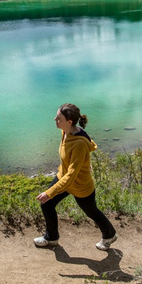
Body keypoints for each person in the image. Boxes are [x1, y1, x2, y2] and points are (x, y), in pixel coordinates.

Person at [34, 103, 118, 251]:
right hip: (64, 177)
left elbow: (72, 174)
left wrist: (50, 192)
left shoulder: (79, 143)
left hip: (80, 185)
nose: (55, 119)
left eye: (58, 118)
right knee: (47, 204)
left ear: (69, 122)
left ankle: (109, 235)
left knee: (92, 212)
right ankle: (51, 238)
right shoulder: (65, 132)